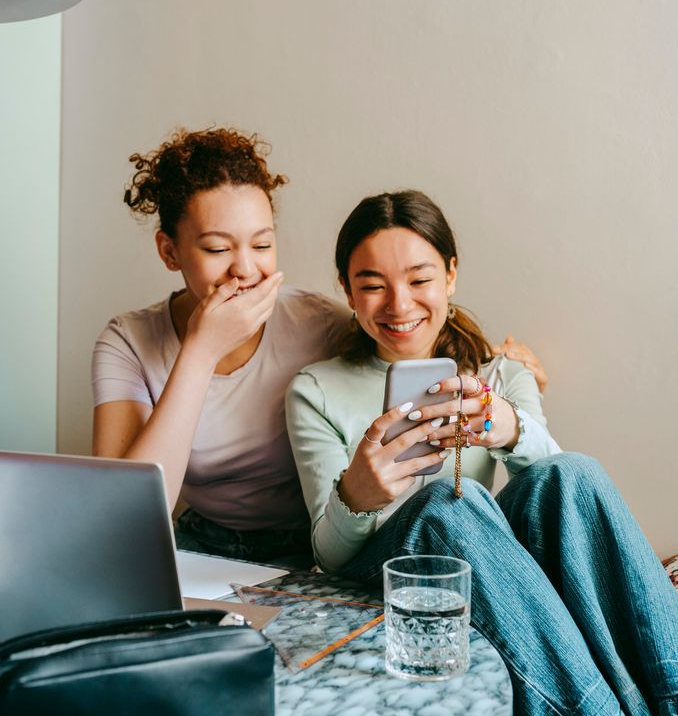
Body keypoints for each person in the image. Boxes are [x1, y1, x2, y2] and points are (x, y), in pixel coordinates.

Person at [285, 189, 678, 716]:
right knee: (447, 505)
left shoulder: (500, 373)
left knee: (572, 473)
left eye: (418, 279)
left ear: (451, 274)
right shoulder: (316, 389)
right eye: (371, 285)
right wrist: (359, 492)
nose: (399, 304)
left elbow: (561, 491)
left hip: (485, 578)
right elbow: (326, 553)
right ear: (348, 294)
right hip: (391, 588)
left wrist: (508, 425)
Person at [92, 127, 546, 568]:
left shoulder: (315, 323)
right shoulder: (128, 342)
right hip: (204, 543)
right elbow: (124, 517)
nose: (245, 268)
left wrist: (504, 369)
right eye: (216, 249)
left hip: (309, 544)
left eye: (263, 244)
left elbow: (400, 323)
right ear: (170, 252)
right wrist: (200, 350)